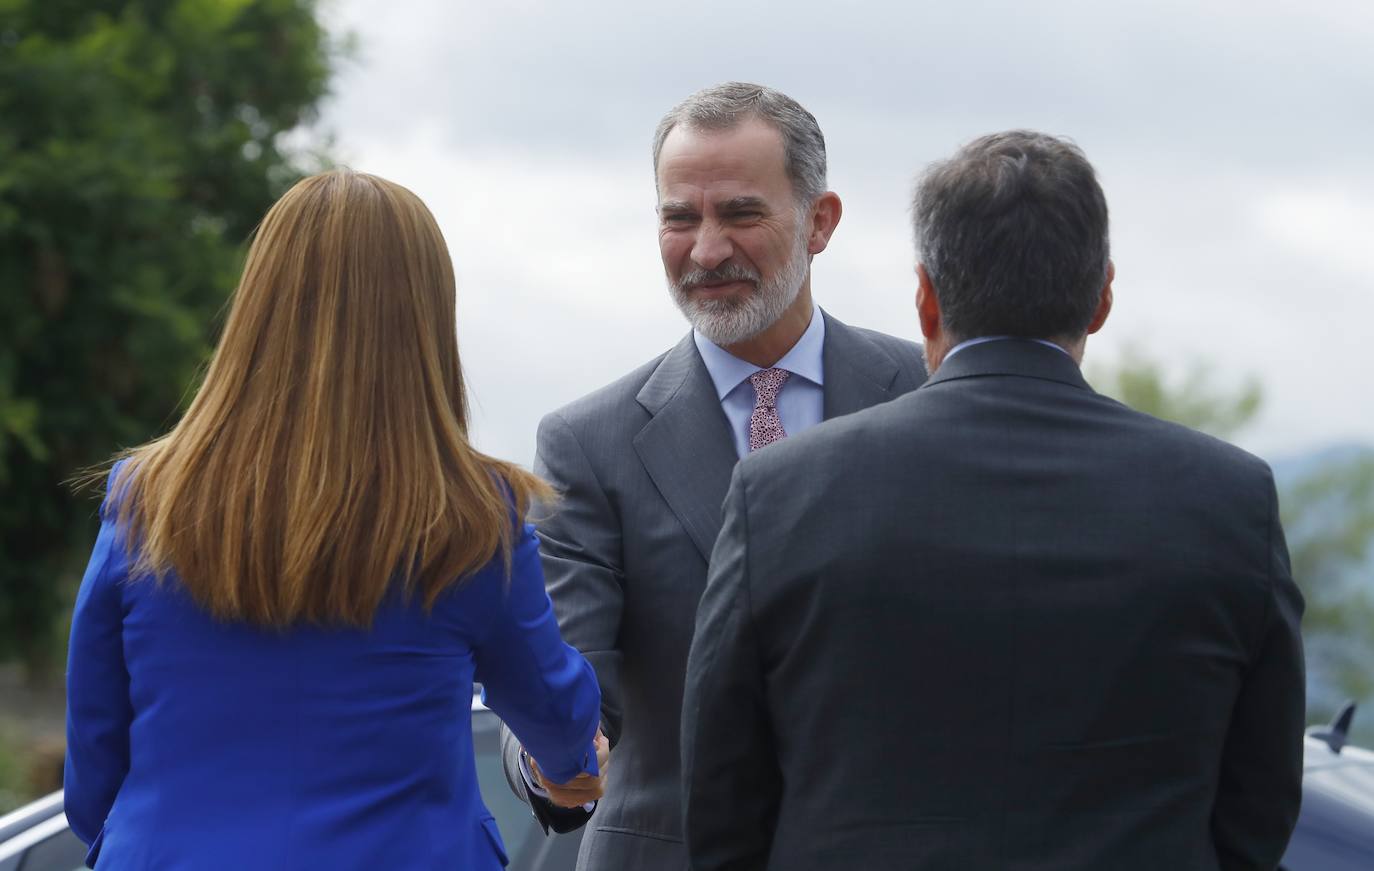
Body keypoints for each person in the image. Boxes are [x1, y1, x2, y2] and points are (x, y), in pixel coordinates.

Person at [681, 130, 1306, 871]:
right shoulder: (1228, 497)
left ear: (925, 298)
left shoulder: (779, 493)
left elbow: (721, 802)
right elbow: (1261, 802)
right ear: (1102, 295)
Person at [63, 169, 606, 871]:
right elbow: (557, 716)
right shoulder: (471, 513)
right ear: (425, 318)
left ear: (258, 304)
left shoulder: (145, 497)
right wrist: (572, 766)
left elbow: (92, 773)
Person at [498, 82, 927, 868]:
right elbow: (565, 677)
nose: (705, 250)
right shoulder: (589, 443)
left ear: (820, 221)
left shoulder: (928, 397)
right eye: (678, 217)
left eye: (739, 213)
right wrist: (555, 756)